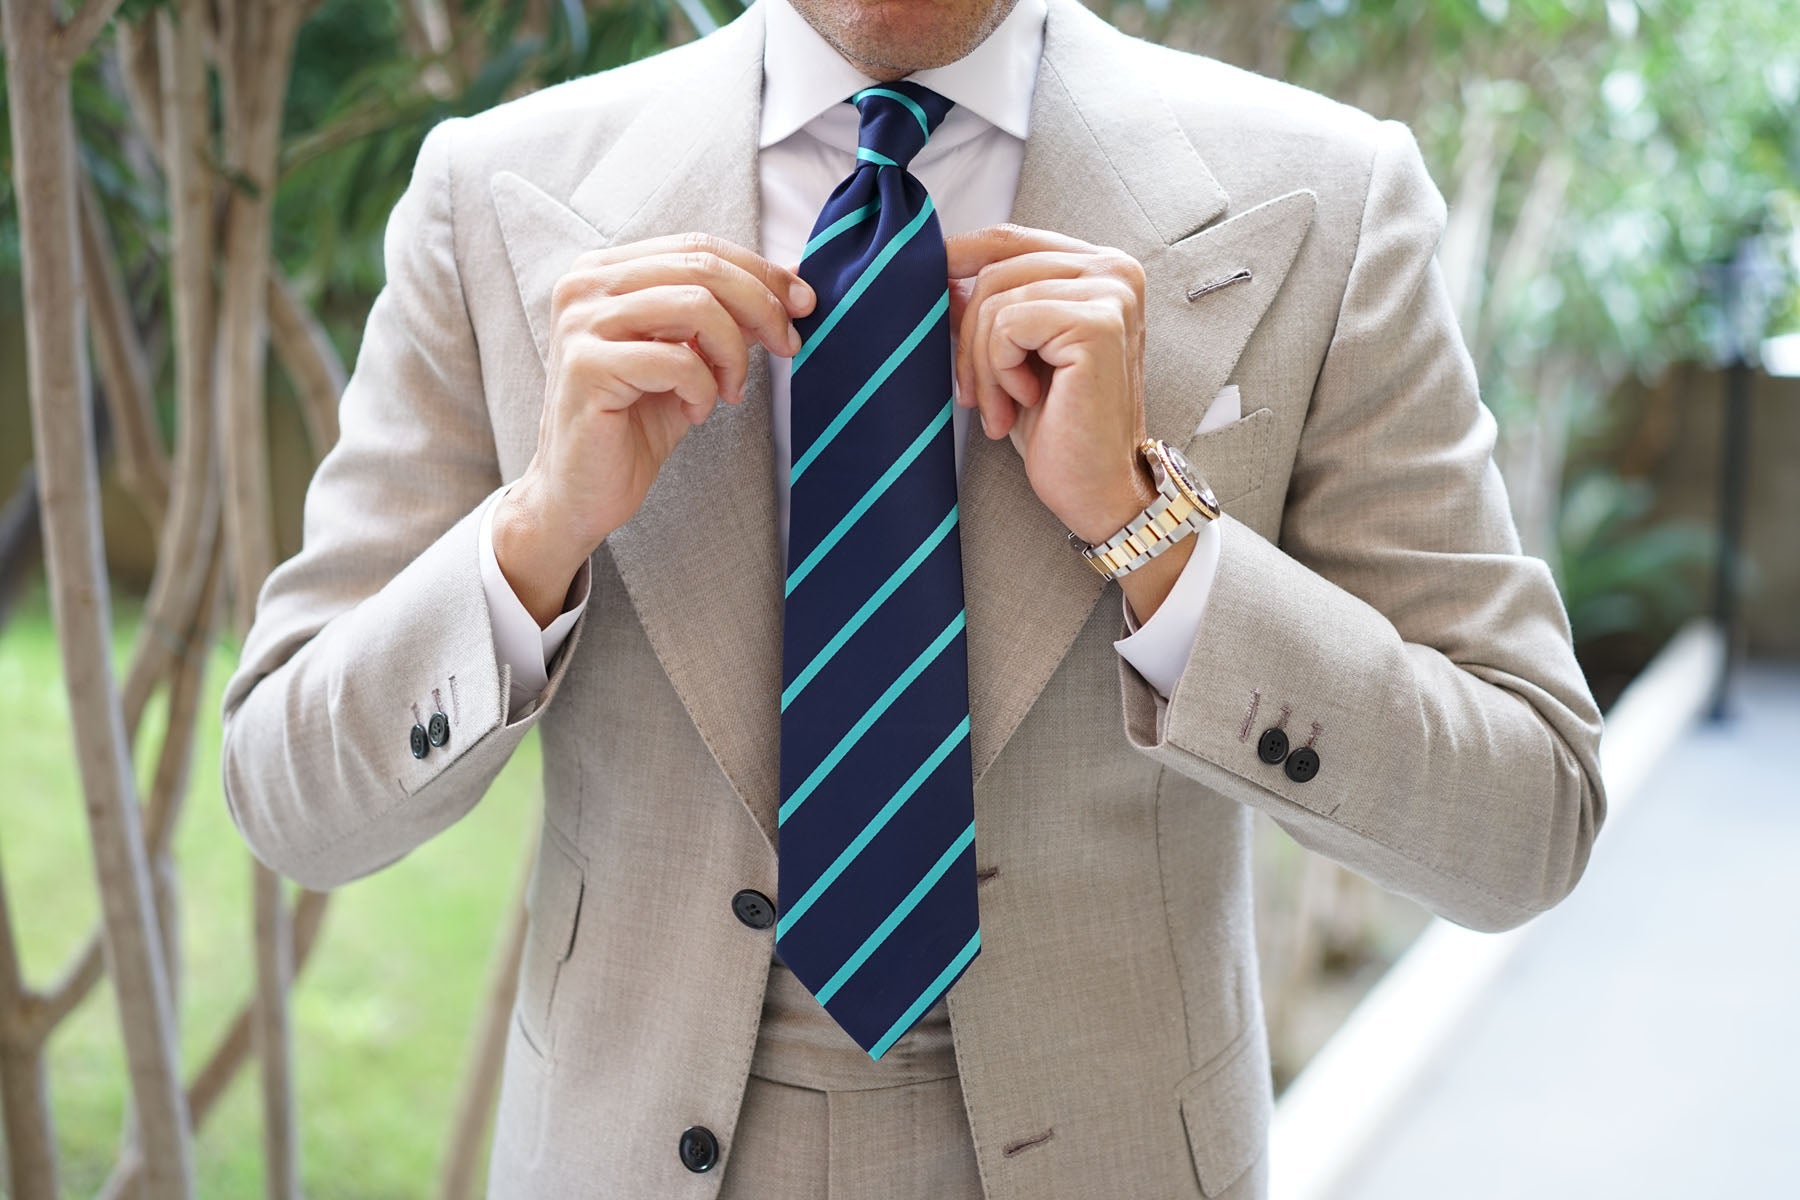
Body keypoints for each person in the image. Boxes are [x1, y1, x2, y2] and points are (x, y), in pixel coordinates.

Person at [219, 0, 1607, 1195]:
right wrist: (535, 532)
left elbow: (1525, 819)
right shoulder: (494, 195)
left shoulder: (1328, 198)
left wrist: (1154, 533)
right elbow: (289, 796)